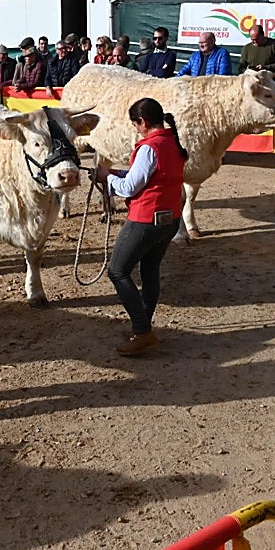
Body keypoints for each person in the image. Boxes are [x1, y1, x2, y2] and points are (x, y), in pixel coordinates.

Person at [90, 98, 187, 357]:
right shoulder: (171, 142)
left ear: (142, 122)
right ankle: (142, 324)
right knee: (150, 268)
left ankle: (143, 331)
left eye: (135, 124)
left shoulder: (148, 148)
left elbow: (131, 187)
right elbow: (147, 176)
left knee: (118, 271)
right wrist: (117, 173)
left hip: (146, 218)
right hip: (170, 218)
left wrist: (107, 177)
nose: (135, 129)